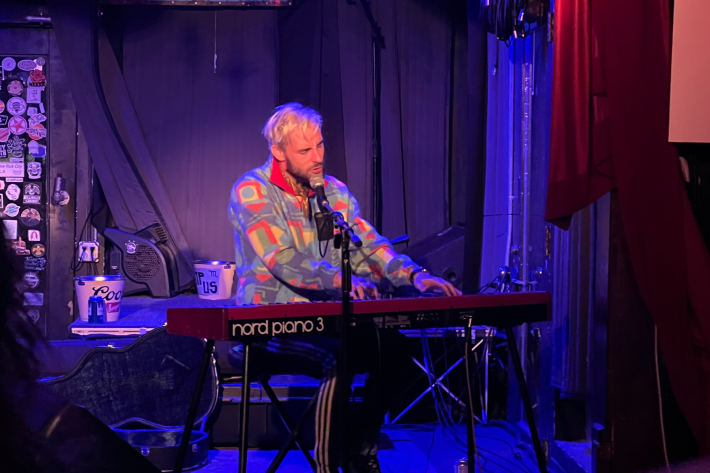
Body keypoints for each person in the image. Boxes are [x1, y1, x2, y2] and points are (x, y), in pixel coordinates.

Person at [229, 103, 460, 473]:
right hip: (265, 325)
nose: (318, 157)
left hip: (327, 320)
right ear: (279, 153)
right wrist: (340, 280)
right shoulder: (252, 190)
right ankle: (327, 468)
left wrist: (415, 276)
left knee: (396, 351)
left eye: (320, 146)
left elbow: (368, 246)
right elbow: (281, 259)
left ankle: (360, 448)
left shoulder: (333, 192)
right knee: (338, 358)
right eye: (305, 151)